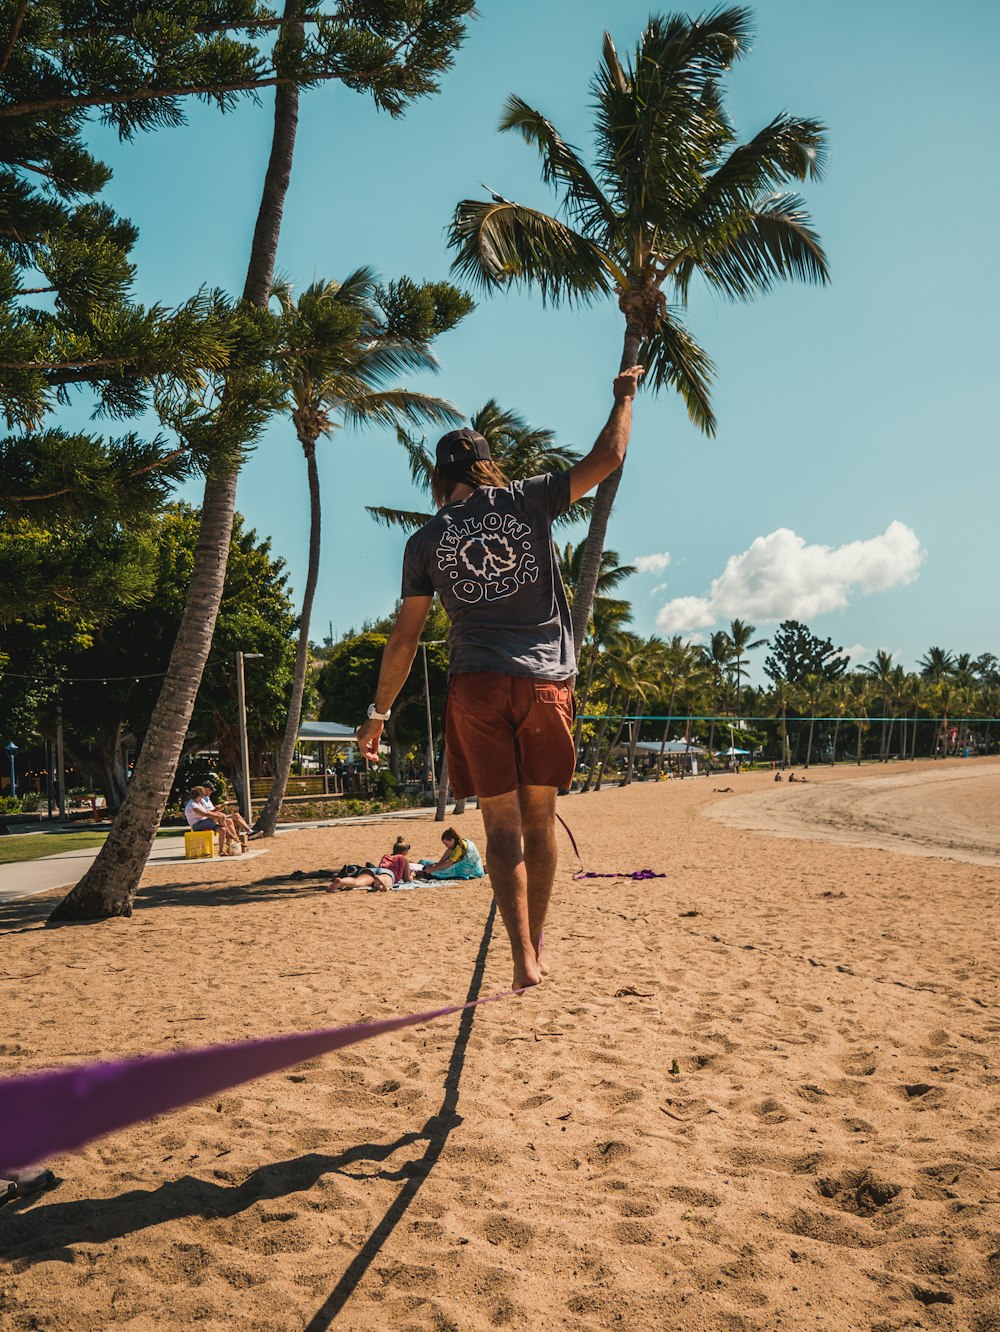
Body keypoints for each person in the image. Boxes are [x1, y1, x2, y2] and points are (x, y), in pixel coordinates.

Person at [355, 364, 644, 990]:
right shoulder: (527, 499)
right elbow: (609, 455)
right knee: (539, 823)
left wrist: (377, 716)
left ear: (440, 480)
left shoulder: (426, 539)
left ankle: (519, 960)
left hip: (477, 687)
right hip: (545, 685)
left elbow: (405, 638)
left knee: (502, 829)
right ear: (488, 469)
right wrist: (623, 397)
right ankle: (538, 944)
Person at [325, 837, 416, 892]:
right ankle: (380, 880)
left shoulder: (386, 856)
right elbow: (407, 880)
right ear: (405, 851)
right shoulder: (404, 858)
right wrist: (412, 875)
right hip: (387, 873)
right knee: (385, 880)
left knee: (357, 882)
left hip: (372, 870)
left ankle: (341, 881)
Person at [184, 785, 240, 855]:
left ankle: (221, 851)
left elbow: (208, 812)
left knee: (223, 830)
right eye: (201, 796)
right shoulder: (193, 805)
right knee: (220, 816)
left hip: (206, 822)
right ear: (199, 796)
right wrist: (217, 815)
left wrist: (216, 810)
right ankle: (229, 834)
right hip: (197, 825)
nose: (202, 798)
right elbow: (204, 814)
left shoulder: (198, 803)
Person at [417, 827, 484, 880]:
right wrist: (437, 865)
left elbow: (449, 863)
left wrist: (432, 869)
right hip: (470, 866)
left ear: (452, 840)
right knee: (425, 863)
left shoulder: (460, 846)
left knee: (434, 873)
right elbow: (447, 854)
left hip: (470, 870)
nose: (446, 846)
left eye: (447, 844)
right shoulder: (457, 843)